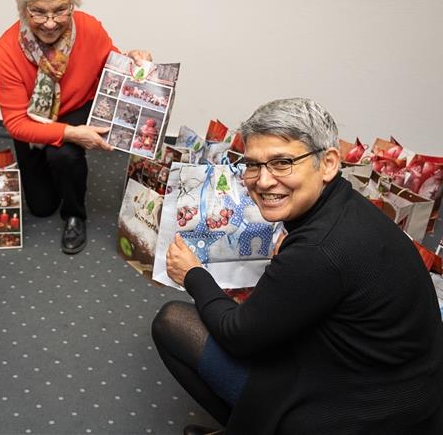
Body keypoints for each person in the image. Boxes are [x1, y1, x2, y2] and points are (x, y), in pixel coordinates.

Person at [151, 98, 443, 434]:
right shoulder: (345, 207)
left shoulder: (319, 250)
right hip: (401, 384)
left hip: (362, 410)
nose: (262, 181)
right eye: (253, 165)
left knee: (171, 322)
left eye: (282, 163)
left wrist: (192, 274)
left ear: (328, 163)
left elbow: (238, 335)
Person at [0, 0, 151, 254]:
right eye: (38, 12)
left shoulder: (90, 29)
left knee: (64, 156)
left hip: (78, 108)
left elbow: (112, 65)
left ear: (72, 5)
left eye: (60, 10)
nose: (50, 23)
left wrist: (132, 60)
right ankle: (56, 166)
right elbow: (15, 123)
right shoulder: (5, 51)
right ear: (23, 9)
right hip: (31, 121)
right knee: (40, 207)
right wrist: (67, 134)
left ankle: (75, 214)